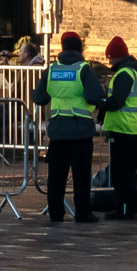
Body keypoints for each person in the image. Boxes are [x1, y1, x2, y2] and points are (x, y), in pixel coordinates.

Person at [29, 32, 109, 223]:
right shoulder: (84, 70)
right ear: (80, 49)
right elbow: (94, 96)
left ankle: (56, 214)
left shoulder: (52, 70)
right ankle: (82, 214)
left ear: (63, 48)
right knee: (81, 177)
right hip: (80, 131)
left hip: (57, 131)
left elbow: (39, 98)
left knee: (56, 176)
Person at [97, 35, 137, 221]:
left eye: (110, 57)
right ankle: (131, 207)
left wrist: (101, 101)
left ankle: (125, 210)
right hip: (132, 125)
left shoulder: (124, 74)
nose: (108, 61)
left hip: (123, 127)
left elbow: (116, 101)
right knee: (128, 170)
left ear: (117, 56)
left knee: (121, 173)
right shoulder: (135, 71)